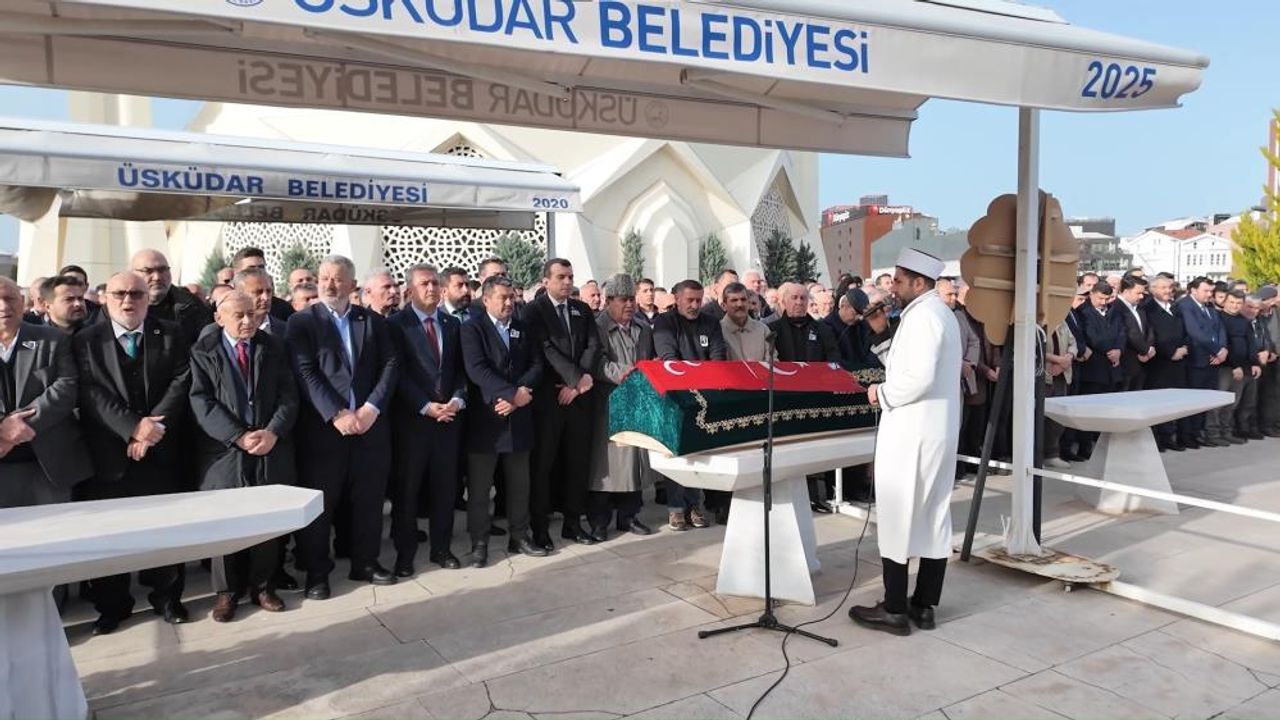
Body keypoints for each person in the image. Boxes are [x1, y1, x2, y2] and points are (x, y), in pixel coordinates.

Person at [849, 249, 961, 636]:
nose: (892, 287)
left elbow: (918, 378)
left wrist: (880, 393)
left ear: (919, 282)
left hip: (913, 433)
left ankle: (895, 608)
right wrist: (881, 332)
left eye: (898, 280)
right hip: (931, 430)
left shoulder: (926, 316)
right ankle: (924, 606)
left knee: (899, 515)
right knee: (932, 516)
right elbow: (906, 366)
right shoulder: (931, 313)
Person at [74, 272, 192, 634]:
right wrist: (133, 427)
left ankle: (167, 597)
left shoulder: (170, 333)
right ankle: (113, 605)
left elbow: (181, 380)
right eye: (120, 293)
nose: (129, 301)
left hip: (160, 451)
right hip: (109, 454)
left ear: (148, 298)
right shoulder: (86, 340)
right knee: (109, 535)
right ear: (105, 297)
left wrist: (151, 431)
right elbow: (90, 392)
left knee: (164, 532)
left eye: (137, 294)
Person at [286, 255, 400, 600]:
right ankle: (317, 572)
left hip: (369, 427)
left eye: (337, 279)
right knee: (321, 505)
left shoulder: (372, 321)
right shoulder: (302, 322)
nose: (329, 284)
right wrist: (336, 414)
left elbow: (390, 365)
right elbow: (305, 372)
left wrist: (371, 408)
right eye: (324, 278)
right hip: (324, 431)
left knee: (369, 500)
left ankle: (365, 562)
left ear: (352, 285)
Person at [188, 291, 298, 622]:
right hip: (225, 451)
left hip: (267, 446)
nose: (248, 321)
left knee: (266, 519)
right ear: (219, 318)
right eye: (239, 315)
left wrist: (273, 431)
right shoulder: (203, 351)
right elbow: (201, 401)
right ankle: (226, 592)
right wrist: (237, 435)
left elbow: (288, 395)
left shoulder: (272, 346)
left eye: (251, 314)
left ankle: (263, 587)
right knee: (226, 522)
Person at [387, 265, 468, 575]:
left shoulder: (451, 323)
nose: (431, 288)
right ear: (410, 290)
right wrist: (424, 405)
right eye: (424, 284)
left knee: (445, 489)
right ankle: (405, 555)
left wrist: (457, 399)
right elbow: (398, 373)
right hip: (413, 423)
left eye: (435, 283)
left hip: (448, 420)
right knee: (408, 492)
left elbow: (459, 370)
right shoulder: (396, 325)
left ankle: (441, 549)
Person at [460, 276, 545, 567]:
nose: (509, 302)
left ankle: (519, 536)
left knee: (520, 484)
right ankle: (479, 542)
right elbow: (477, 369)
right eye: (503, 298)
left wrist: (519, 396)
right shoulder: (472, 329)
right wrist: (510, 394)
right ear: (486, 300)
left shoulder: (522, 327)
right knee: (480, 488)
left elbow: (536, 364)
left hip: (518, 417)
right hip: (487, 418)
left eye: (512, 297)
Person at [522, 258, 601, 548]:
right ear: (546, 281)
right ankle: (540, 528)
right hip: (549, 399)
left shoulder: (581, 309)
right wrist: (575, 378)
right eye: (560, 277)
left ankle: (573, 523)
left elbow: (593, 344)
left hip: (578, 399)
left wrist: (580, 382)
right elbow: (545, 349)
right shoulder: (533, 310)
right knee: (543, 466)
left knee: (577, 464)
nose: (567, 282)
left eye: (570, 276)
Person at [0, 277, 93, 509]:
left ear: (23, 301)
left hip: (48, 466)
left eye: (10, 298)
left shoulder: (52, 340)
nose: (3, 306)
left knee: (52, 528)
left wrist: (15, 429)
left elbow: (66, 388)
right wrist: (2, 426)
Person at [652, 279, 726, 530]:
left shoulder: (710, 322)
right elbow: (669, 359)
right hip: (676, 396)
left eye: (698, 300)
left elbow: (717, 357)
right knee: (676, 454)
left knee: (698, 454)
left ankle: (695, 505)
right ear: (677, 299)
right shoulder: (664, 323)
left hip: (705, 396)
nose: (695, 305)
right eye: (689, 300)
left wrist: (707, 383)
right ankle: (676, 508)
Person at [587, 274, 656, 540]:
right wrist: (625, 373)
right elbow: (596, 363)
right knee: (604, 467)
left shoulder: (643, 328)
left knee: (634, 463)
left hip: (636, 402)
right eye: (623, 300)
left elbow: (648, 359)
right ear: (609, 301)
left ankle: (629, 516)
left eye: (631, 299)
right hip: (608, 402)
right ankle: (599, 521)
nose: (629, 304)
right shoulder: (598, 327)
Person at [1178, 277, 1229, 446]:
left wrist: (1223, 349)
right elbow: (1194, 332)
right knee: (1192, 400)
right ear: (1193, 290)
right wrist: (1217, 350)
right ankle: (1187, 435)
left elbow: (1220, 329)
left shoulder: (1209, 308)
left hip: (1213, 361)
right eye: (1206, 291)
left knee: (1205, 400)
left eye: (1211, 291)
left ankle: (1199, 432)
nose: (1209, 294)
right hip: (1196, 360)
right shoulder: (1185, 306)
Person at [1144, 276, 1194, 450]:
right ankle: (1155, 439)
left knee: (1173, 402)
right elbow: (1152, 335)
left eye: (1170, 287)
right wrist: (1171, 352)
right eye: (1163, 287)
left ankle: (1168, 437)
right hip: (1159, 364)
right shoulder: (1148, 309)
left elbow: (1186, 331)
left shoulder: (1175, 307)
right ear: (1153, 289)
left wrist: (1185, 347)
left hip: (1179, 362)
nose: (1168, 291)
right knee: (1158, 402)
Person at [131, 248, 212, 348]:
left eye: (162, 270)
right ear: (133, 274)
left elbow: (208, 347)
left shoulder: (191, 306)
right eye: (148, 271)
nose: (157, 277)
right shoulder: (120, 307)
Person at [1211, 291, 1260, 444]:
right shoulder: (1218, 318)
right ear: (1224, 302)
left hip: (1242, 368)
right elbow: (1225, 344)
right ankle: (1213, 434)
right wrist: (1234, 365)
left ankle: (1226, 431)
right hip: (1225, 367)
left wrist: (1254, 363)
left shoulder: (1244, 321)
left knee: (1233, 402)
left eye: (1238, 303)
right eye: (1231, 302)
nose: (1235, 306)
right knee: (1218, 401)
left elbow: (1251, 343)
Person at [230, 246, 294, 321]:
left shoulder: (283, 309)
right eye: (251, 269)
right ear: (236, 272)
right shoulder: (225, 308)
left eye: (261, 267)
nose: (257, 272)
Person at [1115, 275, 1155, 392]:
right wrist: (1145, 350)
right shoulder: (1116, 307)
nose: (1142, 296)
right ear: (1126, 291)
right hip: (1126, 363)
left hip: (1143, 363)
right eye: (1138, 293)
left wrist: (1150, 348)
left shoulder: (1140, 307)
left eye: (1143, 293)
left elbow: (1148, 329)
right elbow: (1129, 333)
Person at [719, 281, 769, 362]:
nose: (740, 304)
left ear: (748, 303)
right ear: (724, 306)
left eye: (743, 299)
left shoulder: (763, 330)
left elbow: (772, 362)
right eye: (734, 300)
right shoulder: (717, 331)